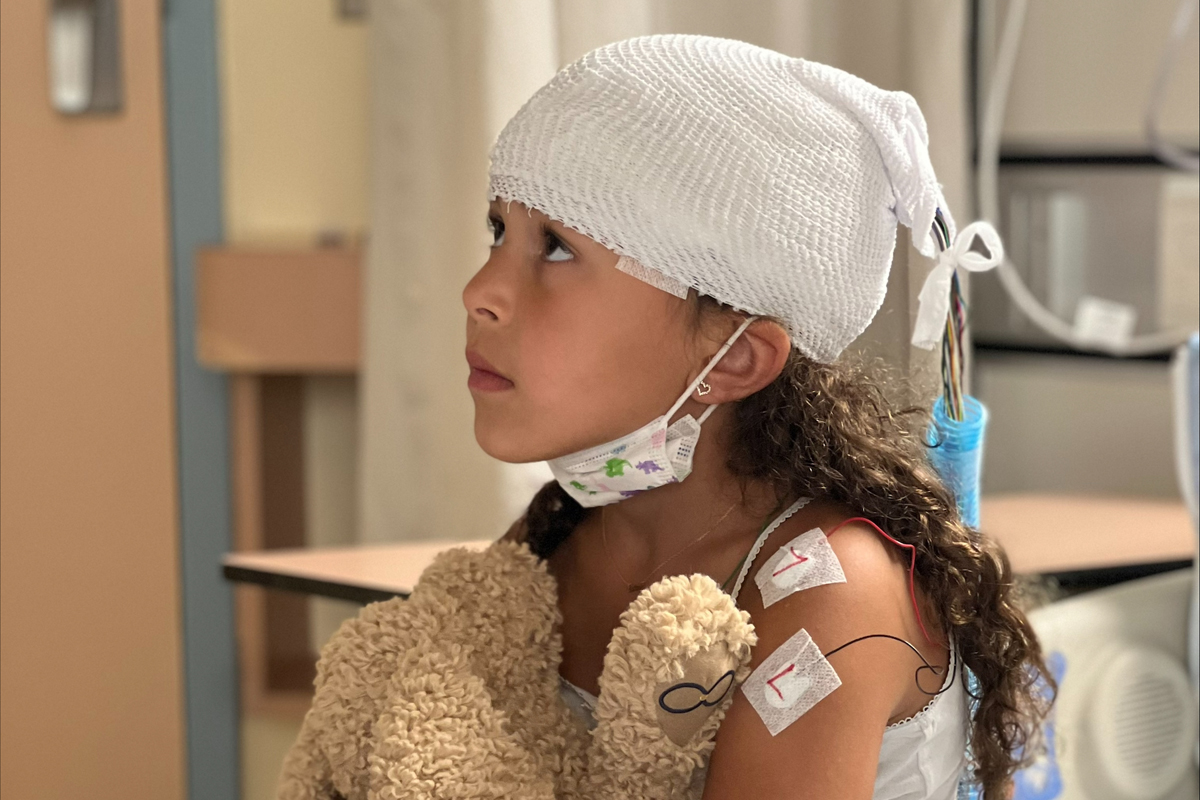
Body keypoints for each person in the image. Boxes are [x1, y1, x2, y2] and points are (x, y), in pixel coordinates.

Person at [281, 34, 1052, 800]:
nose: (480, 290)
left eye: (554, 248)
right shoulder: (559, 539)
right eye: (498, 231)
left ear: (736, 359)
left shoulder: (829, 594)